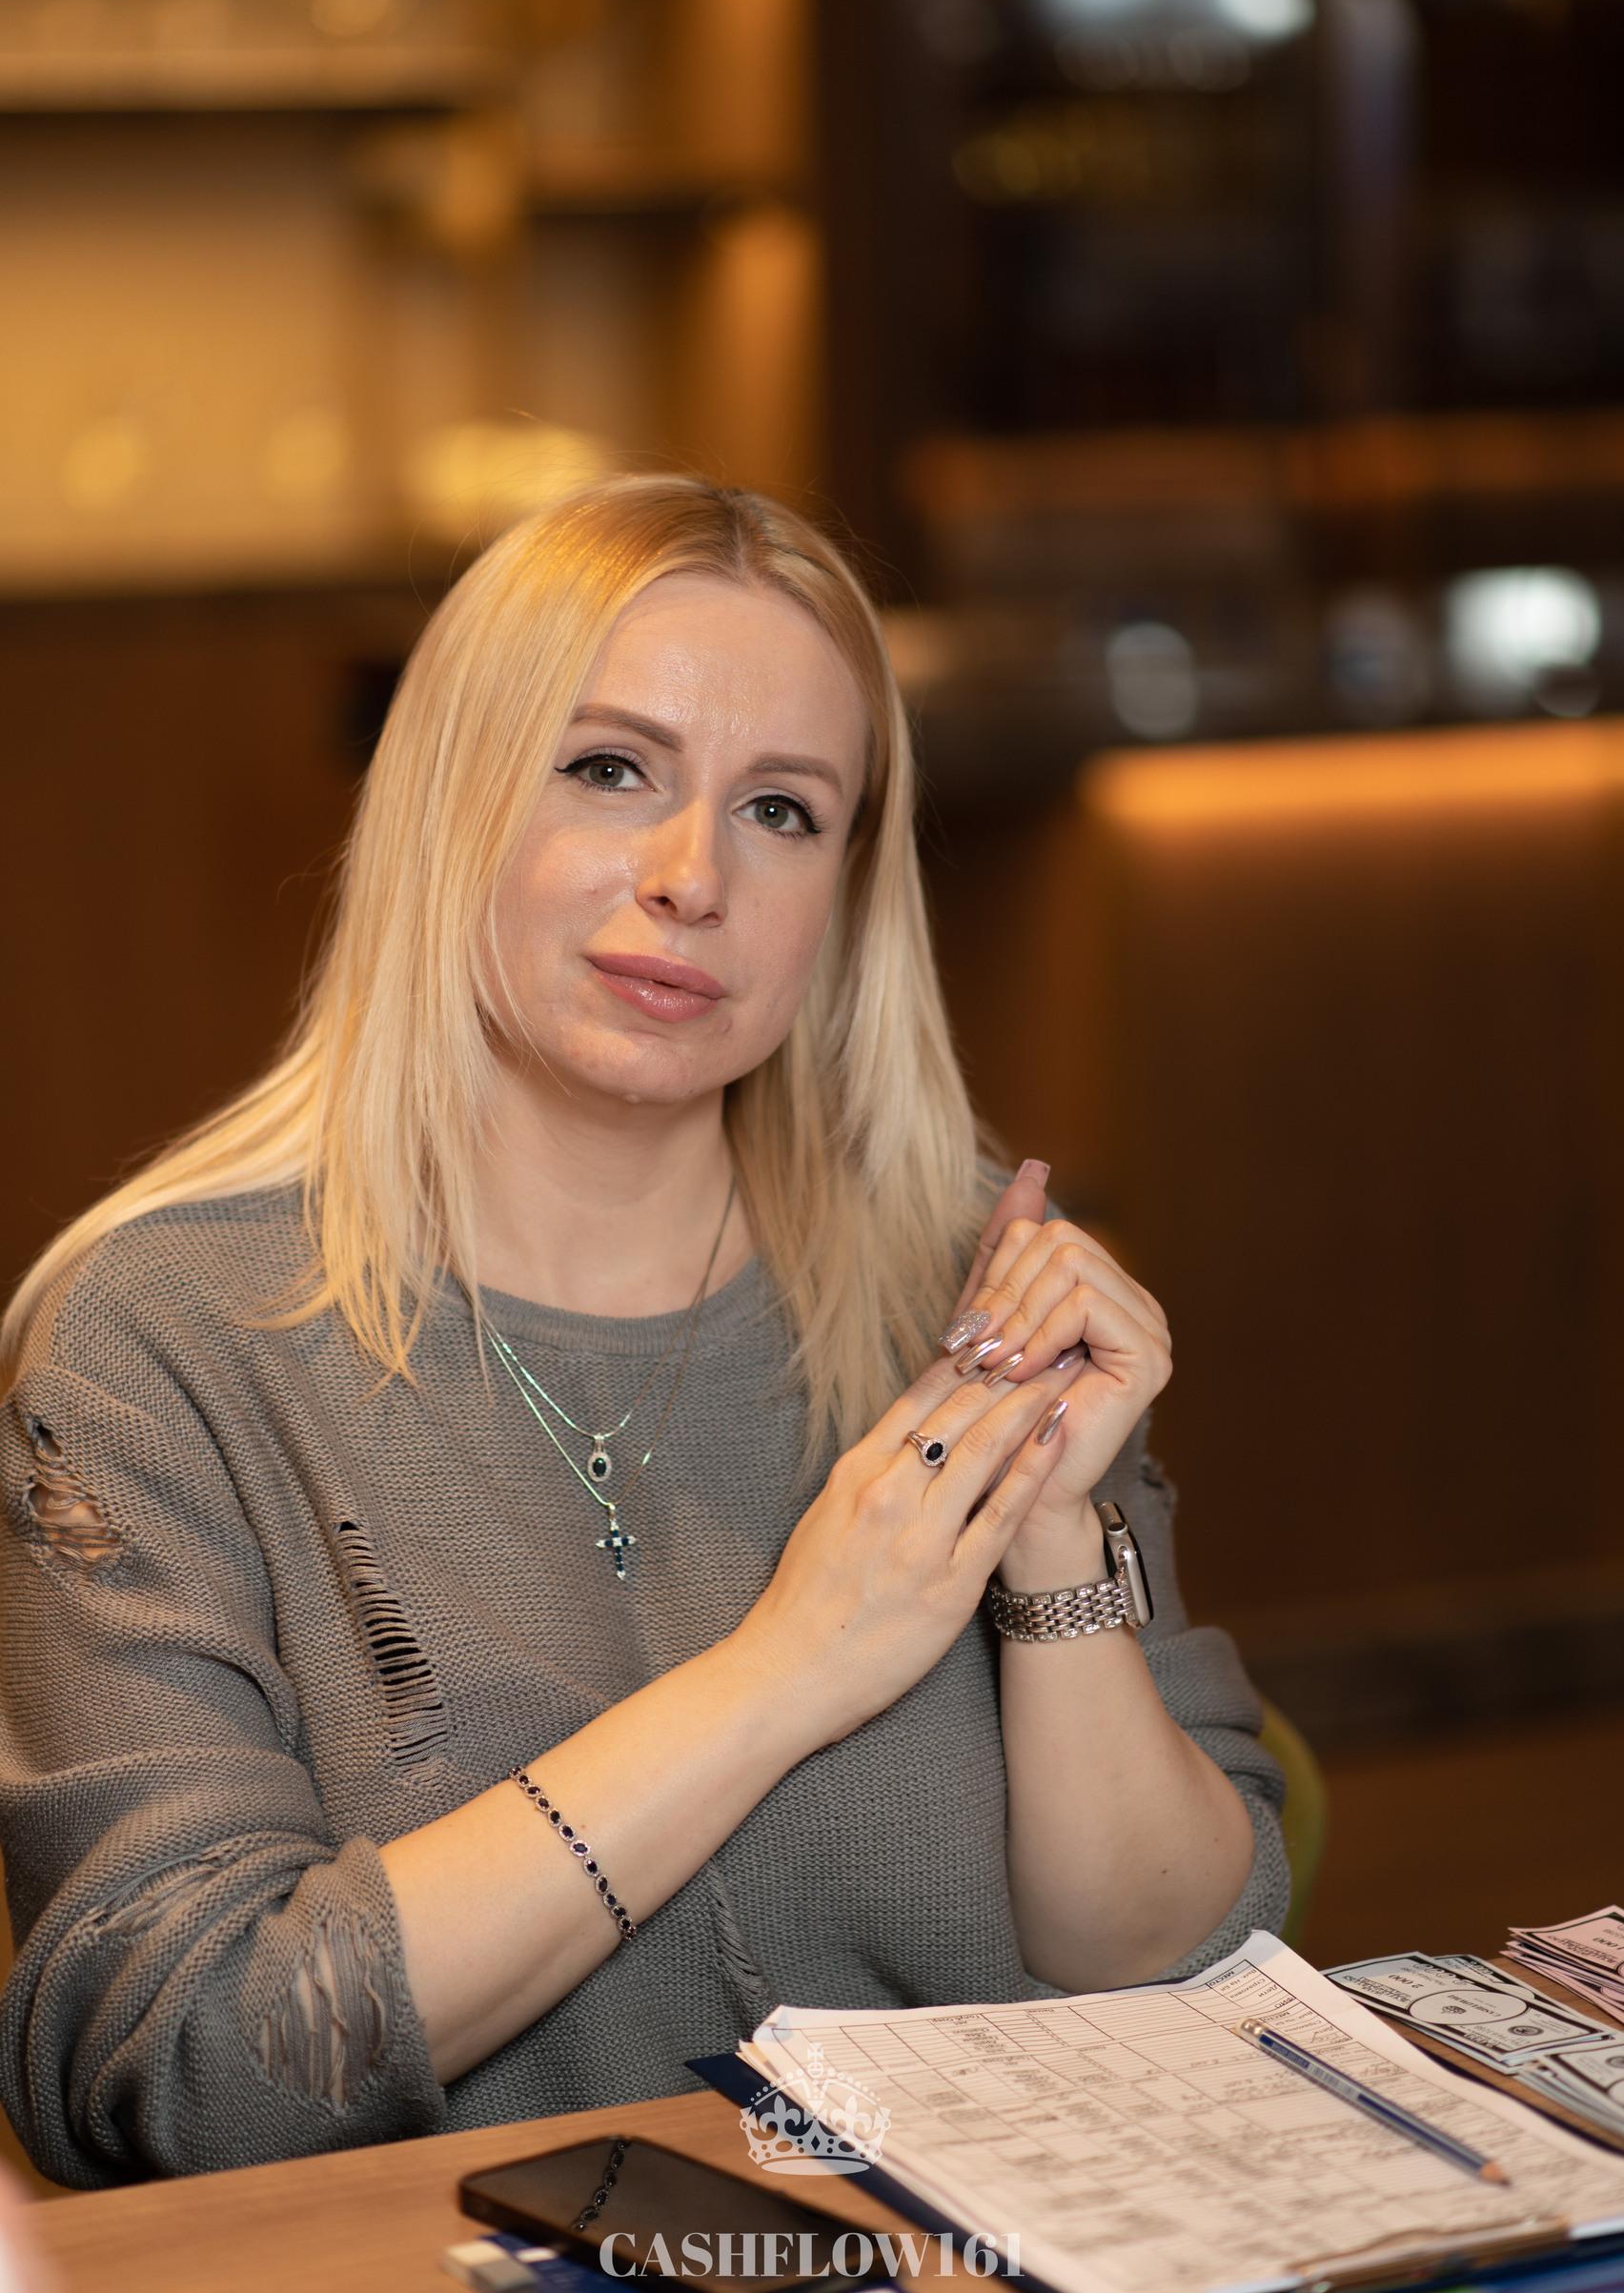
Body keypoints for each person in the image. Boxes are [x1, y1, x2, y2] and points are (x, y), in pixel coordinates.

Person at [0, 475, 1288, 2191]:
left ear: (845, 894)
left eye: (783, 810)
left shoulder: (962, 1279)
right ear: (452, 799)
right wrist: (785, 1670)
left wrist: (1052, 1536)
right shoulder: (159, 1339)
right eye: (610, 770)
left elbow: (1179, 1961)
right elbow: (184, 2064)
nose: (695, 879)